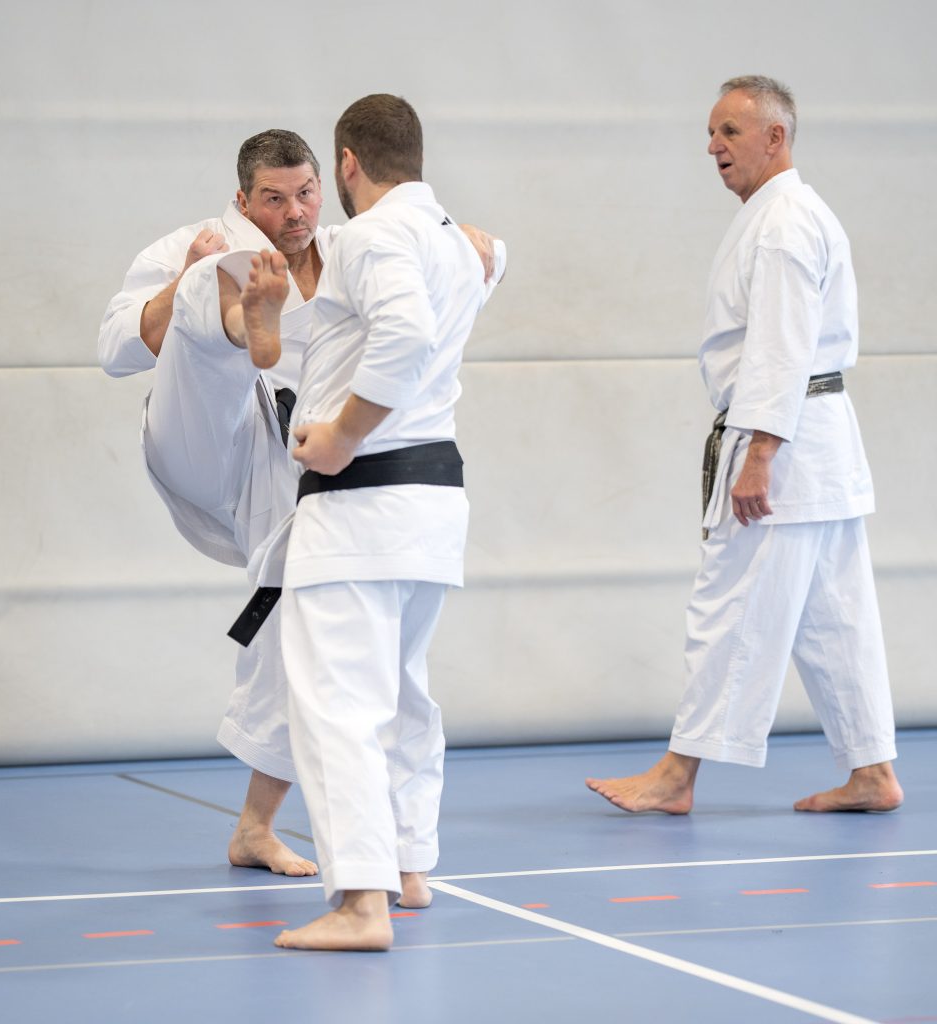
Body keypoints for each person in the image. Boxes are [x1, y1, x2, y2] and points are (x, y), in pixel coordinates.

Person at [98, 130, 499, 879]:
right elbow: (115, 350)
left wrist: (469, 242)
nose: (296, 212)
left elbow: (435, 278)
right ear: (243, 198)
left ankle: (255, 827)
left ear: (326, 184)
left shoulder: (354, 245)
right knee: (211, 277)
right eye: (275, 199)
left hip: (291, 456)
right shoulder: (197, 242)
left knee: (293, 617)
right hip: (200, 435)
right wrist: (180, 286)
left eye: (306, 193)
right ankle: (242, 323)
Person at [586, 76, 902, 815]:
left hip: (784, 443)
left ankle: (677, 775)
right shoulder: (783, 214)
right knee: (835, 615)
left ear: (775, 137)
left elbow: (780, 348)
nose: (713, 146)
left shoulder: (784, 223)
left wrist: (759, 453)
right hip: (816, 442)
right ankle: (872, 772)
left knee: (727, 608)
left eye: (729, 131)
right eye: (711, 132)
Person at [235, 93, 505, 951]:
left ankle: (361, 901)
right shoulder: (454, 240)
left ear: (347, 163)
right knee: (403, 693)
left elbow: (406, 335)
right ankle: (409, 865)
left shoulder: (372, 236)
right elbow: (491, 260)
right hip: (429, 503)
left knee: (337, 707)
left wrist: (342, 436)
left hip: (361, 502)